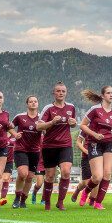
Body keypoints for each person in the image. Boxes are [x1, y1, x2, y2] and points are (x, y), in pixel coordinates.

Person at [79, 86, 112, 210]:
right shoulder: (94, 110)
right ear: (102, 96)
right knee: (97, 177)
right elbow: (82, 125)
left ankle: (98, 202)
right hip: (94, 143)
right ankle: (85, 192)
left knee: (107, 174)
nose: (111, 95)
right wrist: (94, 134)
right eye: (108, 93)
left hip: (109, 143)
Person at [36, 82, 77, 211]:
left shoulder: (71, 107)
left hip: (65, 144)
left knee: (66, 171)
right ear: (53, 93)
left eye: (63, 91)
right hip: (49, 145)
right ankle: (47, 203)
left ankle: (60, 202)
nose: (60, 93)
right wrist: (52, 122)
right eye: (58, 91)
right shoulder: (48, 108)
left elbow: (73, 124)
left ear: (66, 93)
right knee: (49, 176)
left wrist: (73, 123)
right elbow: (38, 126)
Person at [9, 95, 42, 209]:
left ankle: (23, 200)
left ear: (38, 104)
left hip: (35, 150)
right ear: (27, 104)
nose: (33, 103)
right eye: (31, 101)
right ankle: (17, 198)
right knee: (23, 174)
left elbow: (47, 131)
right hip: (20, 149)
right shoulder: (20, 117)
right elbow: (10, 126)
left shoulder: (42, 118)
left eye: (35, 101)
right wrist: (15, 134)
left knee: (29, 177)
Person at [71, 131, 98, 205]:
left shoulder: (103, 126)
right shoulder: (85, 128)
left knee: (97, 179)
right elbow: (78, 143)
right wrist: (85, 151)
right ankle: (78, 190)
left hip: (98, 156)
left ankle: (92, 200)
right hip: (86, 157)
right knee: (86, 183)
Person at [0, 132, 16, 206]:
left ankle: (3, 198)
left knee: (5, 178)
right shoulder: (1, 136)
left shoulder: (14, 136)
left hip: (9, 161)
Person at [31, 135, 45, 205]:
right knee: (39, 184)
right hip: (39, 163)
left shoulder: (53, 136)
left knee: (48, 182)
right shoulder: (39, 137)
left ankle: (44, 199)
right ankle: (34, 193)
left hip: (49, 162)